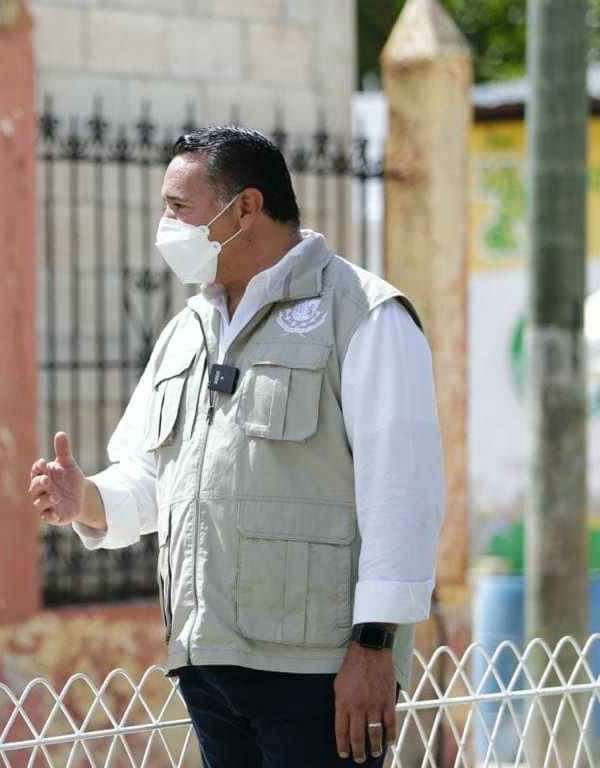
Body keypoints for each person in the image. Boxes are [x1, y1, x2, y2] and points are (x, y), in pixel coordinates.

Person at [27, 127, 444, 767]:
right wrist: (85, 498)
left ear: (245, 208)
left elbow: (402, 495)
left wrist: (374, 646)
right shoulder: (187, 330)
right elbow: (158, 477)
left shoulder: (363, 314)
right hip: (208, 662)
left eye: (179, 208)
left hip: (319, 672)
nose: (166, 227)